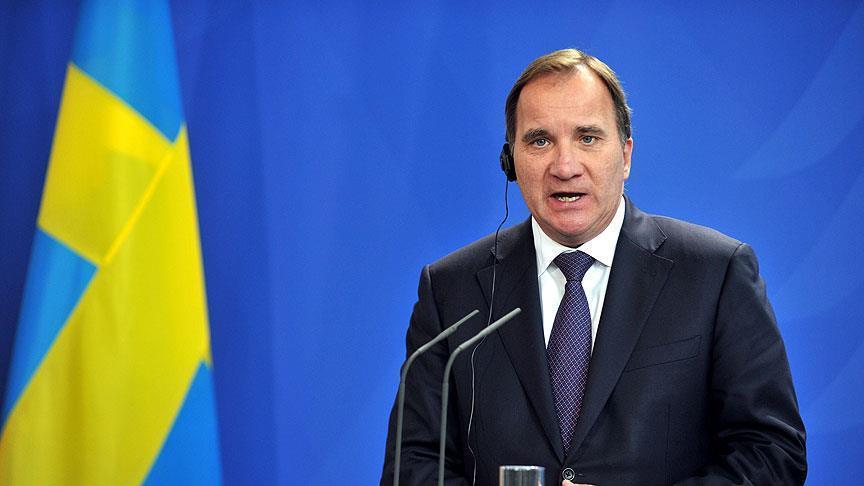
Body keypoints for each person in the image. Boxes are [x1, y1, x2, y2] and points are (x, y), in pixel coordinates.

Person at [381, 48, 806, 486]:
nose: (565, 167)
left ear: (625, 155)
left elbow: (771, 454)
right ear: (510, 162)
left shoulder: (714, 274)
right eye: (540, 141)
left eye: (587, 137)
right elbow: (412, 465)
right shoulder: (451, 290)